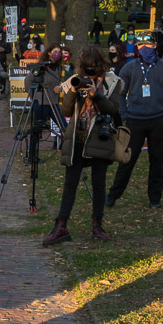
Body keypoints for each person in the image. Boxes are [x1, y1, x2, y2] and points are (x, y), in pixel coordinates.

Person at [43, 46, 122, 246]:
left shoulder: (113, 81)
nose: (89, 72)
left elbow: (113, 109)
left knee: (98, 184)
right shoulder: (76, 79)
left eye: (92, 68)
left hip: (100, 137)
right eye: (85, 69)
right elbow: (66, 110)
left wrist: (97, 94)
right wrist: (73, 90)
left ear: (101, 65)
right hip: (77, 136)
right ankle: (61, 226)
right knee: (70, 183)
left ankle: (97, 225)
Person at [106, 32, 163, 209]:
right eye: (140, 45)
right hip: (135, 121)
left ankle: (154, 199)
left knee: (157, 160)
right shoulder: (129, 68)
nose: (143, 48)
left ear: (155, 45)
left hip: (158, 121)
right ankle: (112, 195)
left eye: (147, 44)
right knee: (127, 160)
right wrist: (124, 115)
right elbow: (119, 94)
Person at [24, 44, 67, 154]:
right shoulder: (42, 67)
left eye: (59, 52)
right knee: (37, 130)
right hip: (41, 102)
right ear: (49, 53)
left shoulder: (58, 67)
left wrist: (60, 88)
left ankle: (67, 150)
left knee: (64, 127)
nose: (57, 54)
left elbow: (58, 83)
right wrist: (31, 95)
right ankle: (32, 153)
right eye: (55, 51)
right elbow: (28, 80)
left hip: (53, 102)